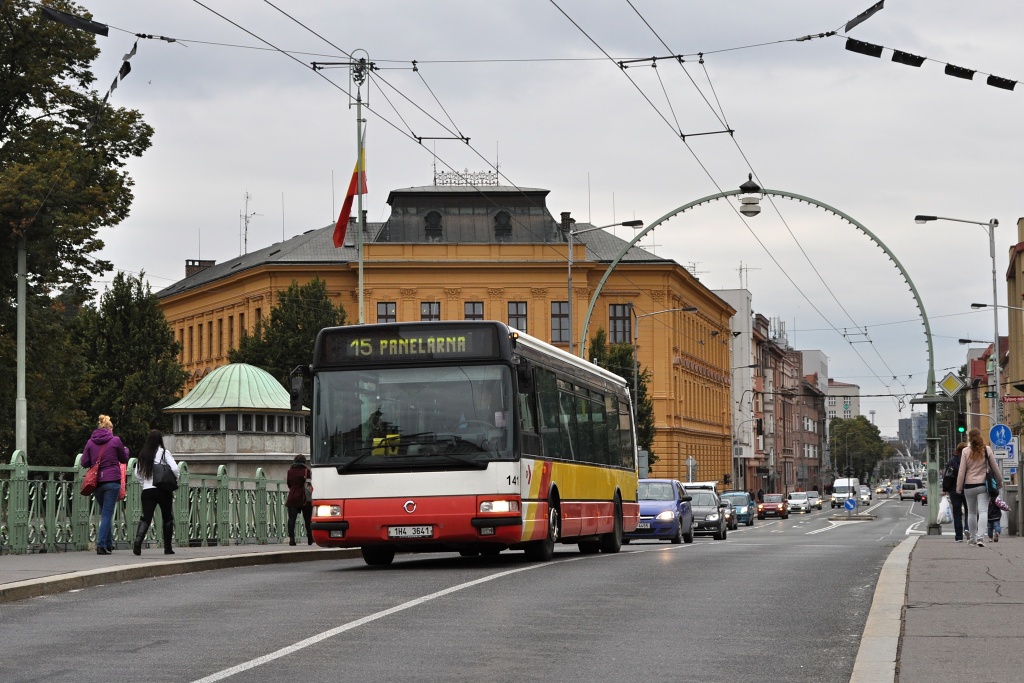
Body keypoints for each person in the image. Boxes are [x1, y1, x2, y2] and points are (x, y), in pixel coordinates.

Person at [81, 414, 129, 555]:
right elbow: (124, 458)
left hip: (97, 483)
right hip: (112, 481)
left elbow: (84, 462)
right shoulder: (115, 441)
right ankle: (101, 545)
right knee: (107, 514)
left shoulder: (91, 442)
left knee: (105, 512)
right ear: (109, 428)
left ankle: (108, 543)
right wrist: (125, 450)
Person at [132, 429, 179, 555]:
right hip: (163, 490)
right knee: (167, 517)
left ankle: (138, 540)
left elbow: (137, 473)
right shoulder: (164, 452)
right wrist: (176, 478)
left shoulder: (143, 454)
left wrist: (144, 483)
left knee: (146, 518)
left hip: (147, 490)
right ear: (160, 440)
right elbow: (175, 468)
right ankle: (168, 548)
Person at [956, 428, 1001, 547]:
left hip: (969, 485)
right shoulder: (986, 450)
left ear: (969, 438)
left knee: (971, 512)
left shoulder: (965, 451)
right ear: (980, 436)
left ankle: (972, 538)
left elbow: (962, 471)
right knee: (983, 511)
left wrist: (959, 487)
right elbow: (995, 468)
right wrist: (999, 482)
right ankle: (981, 538)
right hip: (983, 485)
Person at [942, 442, 970, 542]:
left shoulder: (951, 462)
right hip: (967, 488)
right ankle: (967, 528)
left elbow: (946, 477)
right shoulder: (969, 461)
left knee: (957, 513)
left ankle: (958, 537)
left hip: (954, 491)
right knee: (969, 511)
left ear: (957, 451)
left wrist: (945, 488)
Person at [286, 454, 314, 546]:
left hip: (293, 496)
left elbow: (289, 484)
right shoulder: (307, 471)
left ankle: (292, 539)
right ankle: (310, 538)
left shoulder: (290, 471)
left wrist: (294, 489)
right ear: (304, 462)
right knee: (307, 519)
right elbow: (310, 485)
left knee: (291, 519)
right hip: (304, 497)